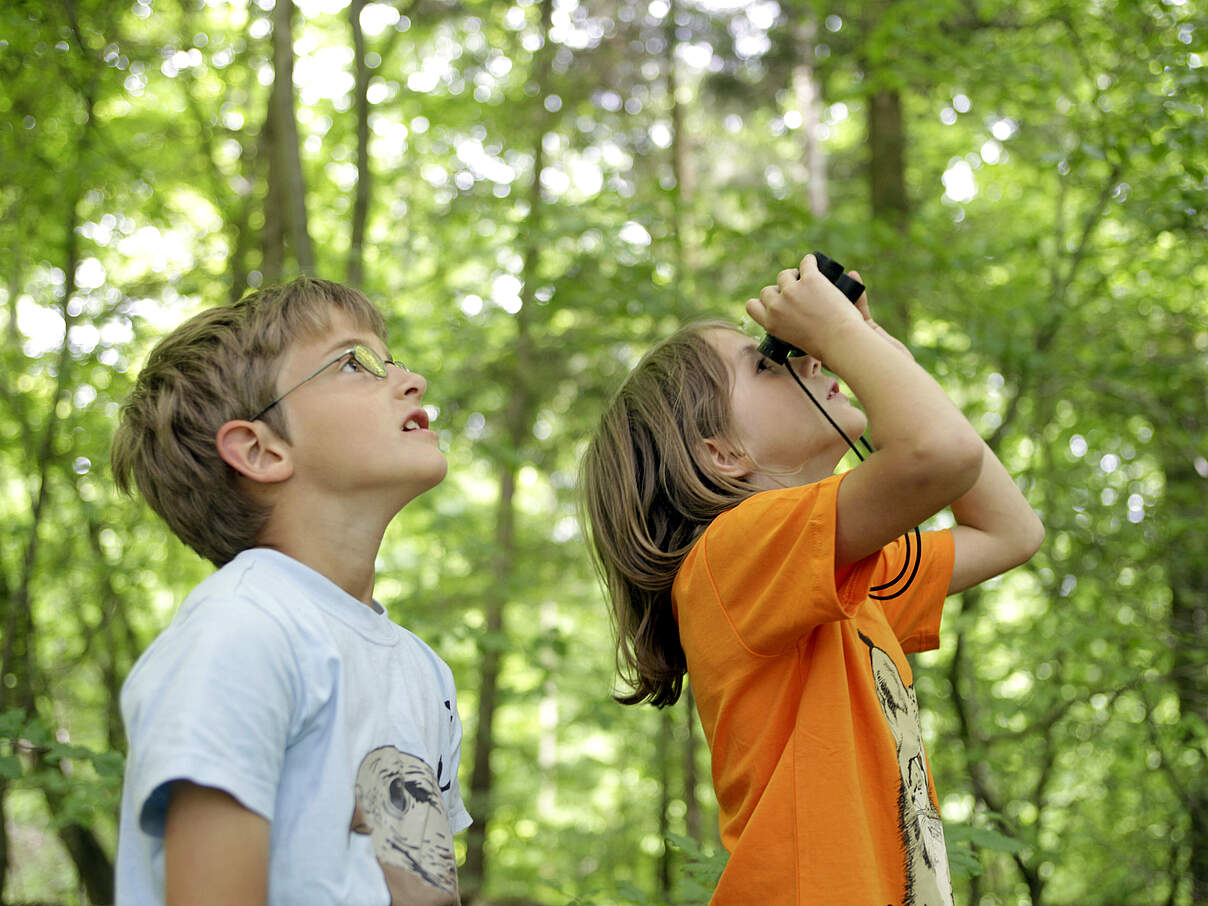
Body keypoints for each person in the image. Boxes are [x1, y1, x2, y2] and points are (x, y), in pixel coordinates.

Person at [580, 254, 1044, 904]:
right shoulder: (729, 556)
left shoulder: (843, 576)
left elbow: (1011, 532)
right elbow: (942, 456)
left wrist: (876, 347)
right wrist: (846, 341)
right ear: (722, 451)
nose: (811, 360)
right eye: (771, 361)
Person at [110, 277, 470, 905]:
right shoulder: (240, 633)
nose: (411, 380)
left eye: (392, 359)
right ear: (261, 450)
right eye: (353, 363)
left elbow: (426, 895)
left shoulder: (422, 672)